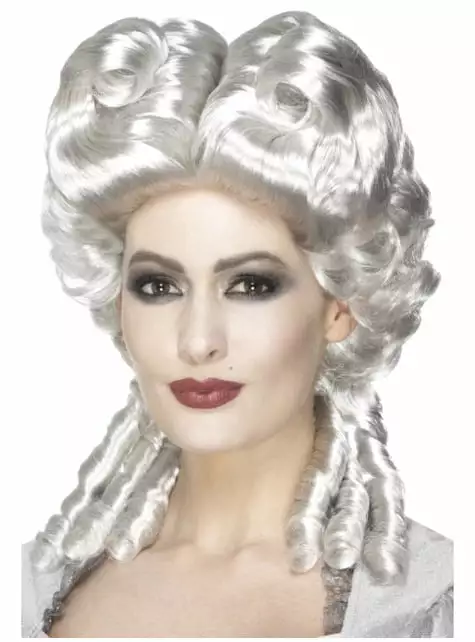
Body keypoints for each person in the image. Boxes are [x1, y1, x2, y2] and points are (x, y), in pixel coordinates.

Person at [21, 10, 453, 638]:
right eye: (159, 286)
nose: (198, 341)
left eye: (251, 286)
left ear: (340, 305)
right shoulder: (30, 593)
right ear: (118, 303)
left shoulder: (429, 607)